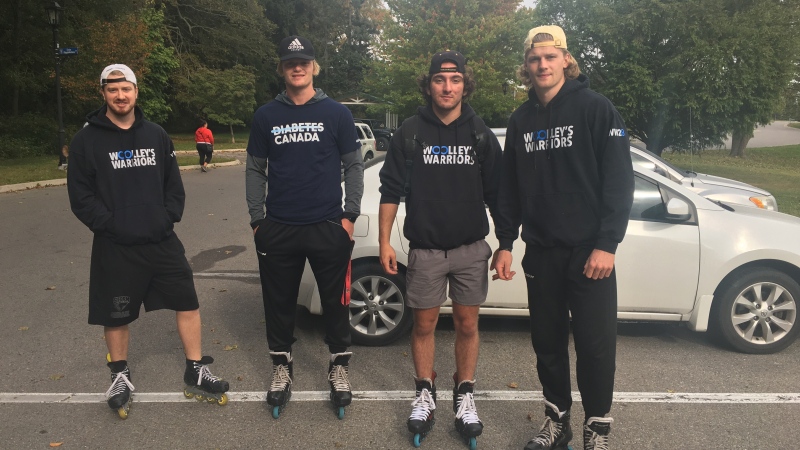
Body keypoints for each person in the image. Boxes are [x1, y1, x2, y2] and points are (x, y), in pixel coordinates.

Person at [490, 26, 634, 450]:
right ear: (527, 66)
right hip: (543, 255)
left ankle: (597, 427)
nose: (543, 65)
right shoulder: (521, 120)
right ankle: (558, 421)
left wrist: (607, 243)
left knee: (595, 347)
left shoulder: (595, 108)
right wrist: (504, 242)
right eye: (535, 59)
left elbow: (618, 182)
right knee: (547, 345)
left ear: (566, 61)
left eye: (551, 57)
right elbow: (509, 191)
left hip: (591, 255)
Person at [67, 64, 229, 419]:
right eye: (113, 90)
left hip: (160, 239)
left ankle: (196, 367)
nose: (120, 95)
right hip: (115, 243)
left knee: (187, 301)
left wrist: (166, 216)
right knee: (116, 312)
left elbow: (173, 183)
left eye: (126, 89)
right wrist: (109, 224)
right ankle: (120, 374)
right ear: (103, 94)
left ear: (136, 92)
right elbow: (80, 195)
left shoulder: (156, 134)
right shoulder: (86, 140)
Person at [378, 50, 502, 446]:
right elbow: (390, 191)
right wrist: (383, 241)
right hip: (426, 250)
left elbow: (499, 194)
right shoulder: (411, 131)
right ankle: (424, 393)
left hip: (470, 249)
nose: (447, 87)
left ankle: (464, 392)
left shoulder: (479, 132)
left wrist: (507, 244)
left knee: (467, 325)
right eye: (439, 80)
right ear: (428, 83)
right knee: (424, 325)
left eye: (455, 80)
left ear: (465, 84)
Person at [245, 35, 364, 419]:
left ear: (314, 67)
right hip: (278, 227)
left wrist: (349, 216)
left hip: (328, 224)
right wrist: (256, 220)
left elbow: (354, 165)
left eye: (304, 61)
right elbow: (254, 169)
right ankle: (282, 367)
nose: (298, 67)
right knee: (278, 304)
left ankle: (339, 366)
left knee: (337, 303)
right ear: (282, 68)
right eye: (290, 62)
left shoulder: (337, 114)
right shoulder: (266, 115)